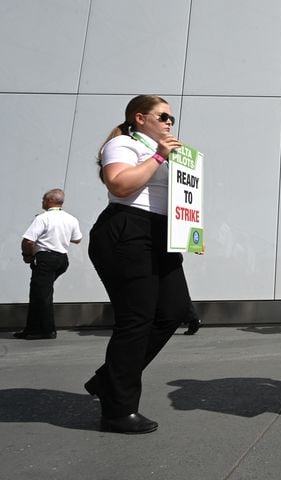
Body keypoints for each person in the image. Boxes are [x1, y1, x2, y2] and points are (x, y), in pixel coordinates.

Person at [84, 95, 192, 434]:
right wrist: (160, 155)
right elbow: (118, 182)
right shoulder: (123, 144)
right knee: (136, 320)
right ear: (139, 118)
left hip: (161, 232)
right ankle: (118, 410)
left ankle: (108, 379)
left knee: (173, 311)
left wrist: (190, 231)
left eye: (172, 119)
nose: (169, 123)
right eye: (162, 116)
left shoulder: (169, 150)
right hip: (127, 228)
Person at [15, 189, 82, 340]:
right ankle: (33, 329)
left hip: (45, 258)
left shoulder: (43, 218)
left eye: (43, 200)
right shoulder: (71, 219)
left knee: (40, 295)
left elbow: (28, 240)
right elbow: (77, 239)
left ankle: (44, 330)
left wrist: (27, 255)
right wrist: (59, 236)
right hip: (62, 260)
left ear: (50, 200)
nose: (42, 202)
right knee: (43, 293)